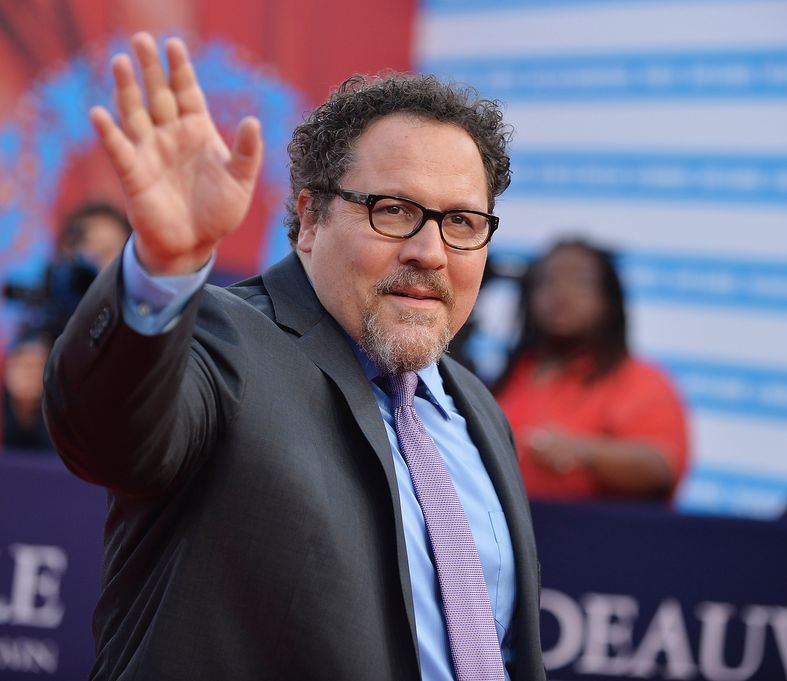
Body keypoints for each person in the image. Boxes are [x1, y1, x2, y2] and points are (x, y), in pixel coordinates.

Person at [43, 32, 544, 680]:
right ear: (310, 220)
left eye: (463, 223)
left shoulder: (475, 408)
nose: (431, 251)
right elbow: (106, 431)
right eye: (393, 210)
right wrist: (163, 269)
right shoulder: (226, 340)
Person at [493, 239, 688, 502]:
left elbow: (660, 468)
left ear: (609, 300)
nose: (561, 291)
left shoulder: (640, 379)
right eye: (547, 281)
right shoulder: (512, 374)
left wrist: (581, 451)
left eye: (581, 281)